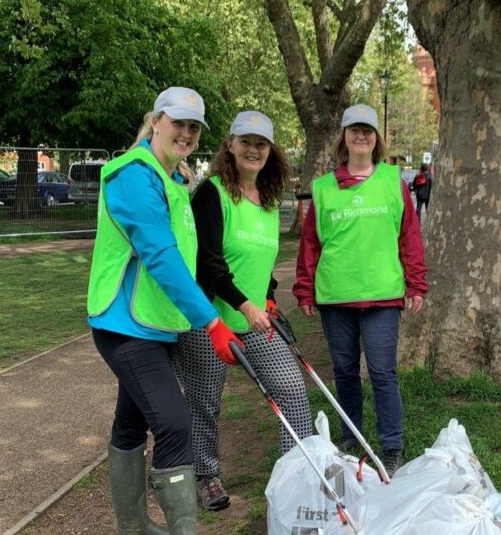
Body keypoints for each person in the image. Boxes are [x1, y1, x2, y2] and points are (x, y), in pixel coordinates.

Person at [87, 87, 242, 535]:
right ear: (155, 120)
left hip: (156, 324)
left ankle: (133, 531)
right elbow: (158, 255)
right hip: (124, 325)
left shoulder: (178, 180)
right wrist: (211, 323)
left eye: (195, 128)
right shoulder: (133, 176)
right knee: (174, 423)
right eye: (178, 123)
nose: (186, 134)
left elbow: (190, 257)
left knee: (132, 422)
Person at [174, 111, 313, 511]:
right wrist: (245, 304)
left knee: (291, 389)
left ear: (271, 152)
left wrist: (267, 296)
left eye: (262, 144)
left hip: (254, 319)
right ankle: (206, 476)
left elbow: (259, 263)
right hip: (209, 318)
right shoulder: (212, 193)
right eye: (246, 141)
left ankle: (297, 474)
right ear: (230, 146)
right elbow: (209, 262)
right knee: (204, 400)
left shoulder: (269, 202)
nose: (254, 149)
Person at [294, 104, 428, 475]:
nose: (361, 136)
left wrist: (416, 282)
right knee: (345, 370)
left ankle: (391, 444)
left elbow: (409, 237)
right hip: (336, 295)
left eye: (367, 130)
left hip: (383, 295)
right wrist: (304, 289)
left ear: (376, 139)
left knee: (383, 372)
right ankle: (350, 437)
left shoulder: (393, 181)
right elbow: (311, 245)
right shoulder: (322, 189)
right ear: (344, 137)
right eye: (354, 129)